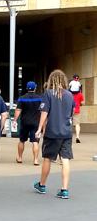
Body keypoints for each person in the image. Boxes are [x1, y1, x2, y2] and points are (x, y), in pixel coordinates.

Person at [33, 69, 74, 199]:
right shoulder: (69, 95)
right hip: (66, 132)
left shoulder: (48, 93)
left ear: (52, 80)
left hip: (52, 131)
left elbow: (44, 112)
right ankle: (64, 189)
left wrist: (39, 128)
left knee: (47, 158)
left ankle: (42, 185)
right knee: (65, 159)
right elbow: (71, 112)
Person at [14, 81, 42, 165]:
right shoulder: (40, 98)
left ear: (27, 88)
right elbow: (43, 111)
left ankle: (19, 158)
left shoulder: (22, 98)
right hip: (35, 123)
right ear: (35, 88)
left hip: (24, 122)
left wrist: (15, 120)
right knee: (35, 142)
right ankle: (36, 160)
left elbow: (18, 110)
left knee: (22, 140)